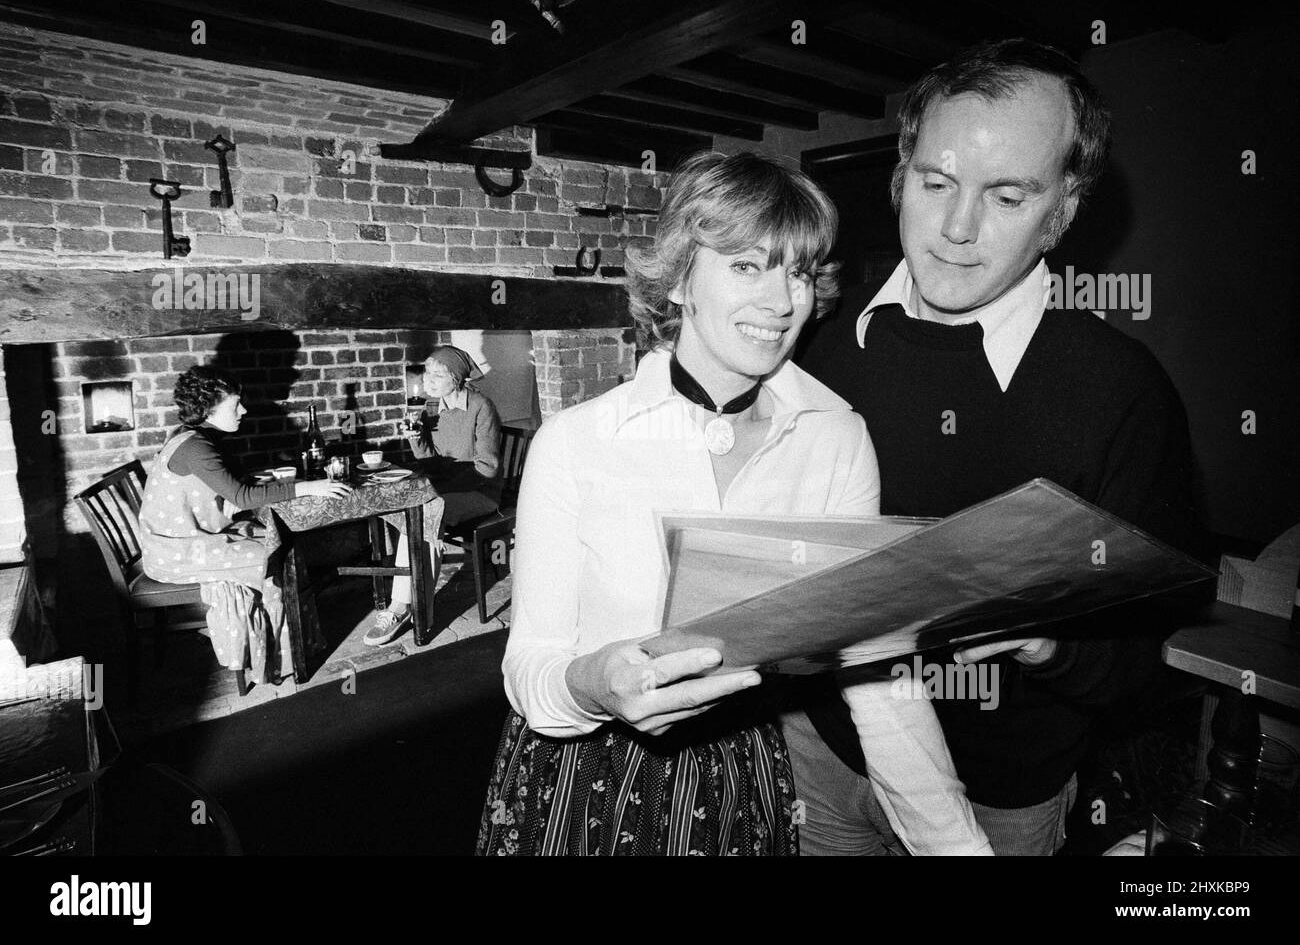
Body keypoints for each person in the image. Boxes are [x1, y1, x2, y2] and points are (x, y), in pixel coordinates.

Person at [476, 151, 991, 856]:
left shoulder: (836, 438)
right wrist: (593, 683)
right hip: (583, 776)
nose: (782, 302)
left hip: (738, 781)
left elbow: (878, 670)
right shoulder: (576, 441)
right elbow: (529, 666)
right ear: (682, 278)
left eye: (799, 270)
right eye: (747, 265)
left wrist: (957, 847)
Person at [795, 39, 1202, 855]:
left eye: (1007, 195)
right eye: (935, 182)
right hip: (824, 758)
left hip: (1000, 804)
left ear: (1063, 210)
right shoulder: (816, 343)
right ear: (900, 174)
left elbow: (1170, 654)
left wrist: (1051, 639)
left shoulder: (1121, 390)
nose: (955, 227)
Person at [139, 365, 350, 683]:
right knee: (271, 554)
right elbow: (241, 496)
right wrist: (311, 487)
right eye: (235, 404)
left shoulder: (195, 438)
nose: (244, 409)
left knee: (276, 539)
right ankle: (275, 659)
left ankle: (285, 650)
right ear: (208, 408)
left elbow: (230, 488)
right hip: (174, 553)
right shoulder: (195, 447)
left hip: (188, 540)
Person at [364, 346, 503, 646]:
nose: (429, 380)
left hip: (481, 493)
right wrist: (418, 440)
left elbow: (487, 468)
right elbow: (432, 463)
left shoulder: (481, 407)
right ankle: (409, 604)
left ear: (457, 378)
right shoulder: (433, 408)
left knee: (425, 511)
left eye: (438, 374)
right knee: (416, 510)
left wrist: (439, 489)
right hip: (446, 493)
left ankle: (404, 608)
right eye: (428, 373)